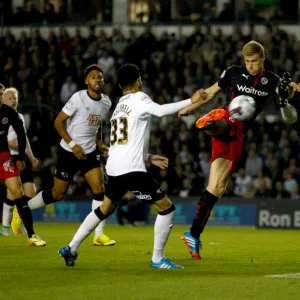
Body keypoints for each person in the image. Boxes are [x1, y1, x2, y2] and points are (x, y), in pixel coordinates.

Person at [58, 63, 205, 269]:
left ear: (119, 85)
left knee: (105, 208)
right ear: (139, 80)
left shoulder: (119, 105)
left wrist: (149, 156)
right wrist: (192, 100)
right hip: (131, 169)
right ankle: (157, 259)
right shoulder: (140, 98)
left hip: (114, 167)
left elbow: (129, 140)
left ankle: (71, 247)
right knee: (167, 209)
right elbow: (161, 111)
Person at [178, 40, 300, 260]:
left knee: (217, 186)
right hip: (229, 119)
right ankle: (212, 123)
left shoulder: (270, 80)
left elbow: (286, 95)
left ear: (263, 59)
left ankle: (193, 233)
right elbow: (210, 92)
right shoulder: (232, 73)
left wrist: (291, 90)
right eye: (247, 61)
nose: (251, 65)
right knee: (228, 118)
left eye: (254, 61)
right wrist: (187, 107)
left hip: (238, 135)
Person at [11, 64, 115, 246]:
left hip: (89, 152)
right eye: (93, 77)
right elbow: (58, 122)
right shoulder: (78, 98)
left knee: (99, 189)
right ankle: (22, 210)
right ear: (86, 81)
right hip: (69, 151)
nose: (97, 80)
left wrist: (99, 143)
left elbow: (97, 124)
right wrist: (73, 145)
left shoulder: (106, 102)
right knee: (58, 194)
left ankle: (98, 235)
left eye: (100, 77)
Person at [0, 83, 45, 246]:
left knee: (18, 192)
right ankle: (6, 225)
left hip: (4, 157)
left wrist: (20, 158)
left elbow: (21, 134)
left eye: (0, 95)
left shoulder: (10, 113)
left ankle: (31, 235)